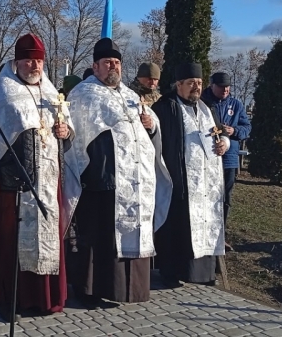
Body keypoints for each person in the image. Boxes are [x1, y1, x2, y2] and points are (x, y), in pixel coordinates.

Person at [0, 34, 73, 321]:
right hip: (14, 182)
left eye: (38, 60)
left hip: (48, 182)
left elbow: (67, 133)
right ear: (17, 62)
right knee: (11, 243)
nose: (34, 65)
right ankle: (10, 298)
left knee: (47, 238)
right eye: (28, 60)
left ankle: (46, 298)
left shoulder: (52, 93)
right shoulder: (4, 94)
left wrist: (67, 133)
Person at [65, 38, 172, 306]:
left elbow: (148, 127)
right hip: (100, 179)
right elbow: (75, 134)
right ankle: (88, 290)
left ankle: (126, 291)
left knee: (127, 234)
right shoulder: (83, 93)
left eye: (117, 63)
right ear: (95, 66)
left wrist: (150, 125)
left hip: (133, 181)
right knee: (97, 237)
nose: (113, 67)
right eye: (107, 63)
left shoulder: (131, 95)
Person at [152, 63, 229, 287]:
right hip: (178, 180)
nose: (196, 87)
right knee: (178, 226)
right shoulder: (166, 106)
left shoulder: (206, 109)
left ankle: (204, 274)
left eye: (199, 83)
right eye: (191, 83)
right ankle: (173, 272)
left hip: (205, 182)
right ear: (179, 85)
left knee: (203, 221)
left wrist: (223, 143)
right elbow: (154, 135)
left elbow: (220, 132)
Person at [201, 72, 251, 251]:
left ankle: (220, 235)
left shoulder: (236, 104)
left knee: (225, 198)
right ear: (212, 85)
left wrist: (235, 131)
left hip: (229, 160)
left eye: (228, 87)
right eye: (221, 87)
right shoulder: (202, 102)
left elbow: (247, 127)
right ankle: (204, 233)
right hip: (207, 157)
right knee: (206, 195)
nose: (225, 90)